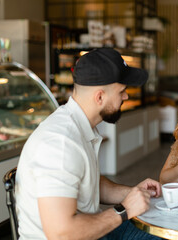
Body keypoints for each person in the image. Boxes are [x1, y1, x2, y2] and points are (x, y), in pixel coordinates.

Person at [15, 48, 163, 240]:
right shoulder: (60, 144)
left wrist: (135, 193)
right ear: (99, 97)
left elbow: (90, 184)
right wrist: (124, 210)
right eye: (122, 91)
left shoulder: (79, 126)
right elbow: (62, 234)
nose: (126, 97)